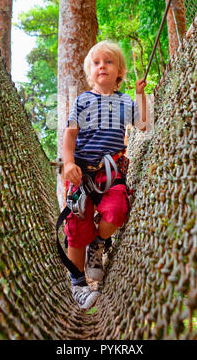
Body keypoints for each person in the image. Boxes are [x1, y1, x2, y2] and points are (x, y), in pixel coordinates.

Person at [62, 40, 147, 309]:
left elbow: (144, 124)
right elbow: (70, 134)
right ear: (90, 71)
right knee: (76, 227)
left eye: (108, 62)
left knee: (118, 210)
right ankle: (78, 284)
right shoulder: (83, 100)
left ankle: (98, 244)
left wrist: (141, 95)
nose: (102, 66)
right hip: (81, 175)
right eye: (97, 63)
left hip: (111, 175)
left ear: (119, 70)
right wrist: (67, 164)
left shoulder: (125, 101)